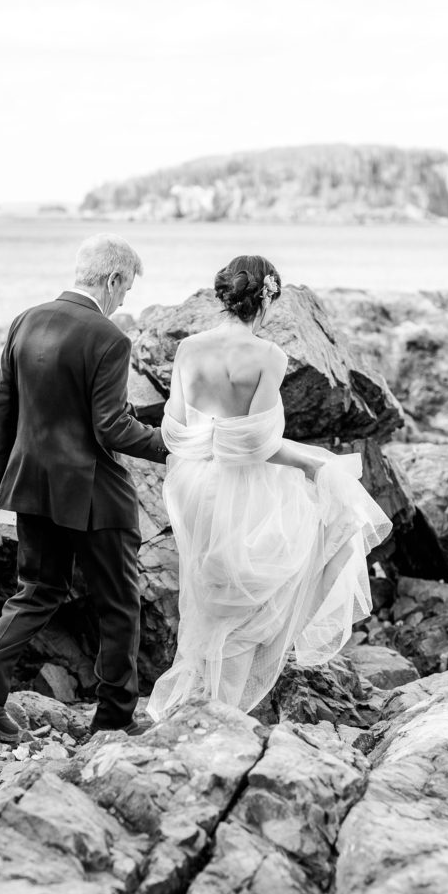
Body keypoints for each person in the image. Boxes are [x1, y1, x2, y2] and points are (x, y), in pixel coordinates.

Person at [146, 255, 392, 721]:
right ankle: (224, 712)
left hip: (195, 484)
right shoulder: (269, 356)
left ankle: (201, 707)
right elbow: (257, 443)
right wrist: (311, 464)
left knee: (212, 596)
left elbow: (174, 431)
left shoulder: (189, 350)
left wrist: (210, 443)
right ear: (267, 296)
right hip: (247, 490)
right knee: (256, 600)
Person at [0, 234, 168, 743]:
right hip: (94, 493)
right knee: (119, 603)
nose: (124, 301)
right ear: (113, 279)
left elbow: (3, 406)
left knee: (37, 592)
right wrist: (172, 446)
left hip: (30, 482)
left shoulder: (25, 320)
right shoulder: (109, 337)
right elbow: (110, 428)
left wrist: (0, 480)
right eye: (126, 289)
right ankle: (115, 717)